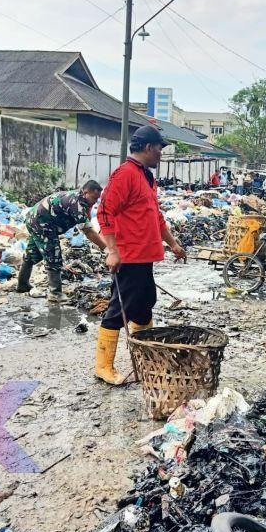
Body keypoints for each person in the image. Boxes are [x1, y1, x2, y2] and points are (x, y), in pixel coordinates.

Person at [94, 125, 188, 385]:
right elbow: (104, 213)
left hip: (145, 256)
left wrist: (173, 244)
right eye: (160, 148)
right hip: (129, 256)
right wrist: (112, 251)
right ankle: (103, 367)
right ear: (148, 147)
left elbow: (155, 218)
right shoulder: (124, 175)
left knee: (145, 305)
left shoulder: (146, 176)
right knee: (120, 309)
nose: (161, 153)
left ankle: (144, 355)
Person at [18, 181, 107, 301]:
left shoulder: (81, 199)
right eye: (94, 198)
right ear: (86, 192)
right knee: (53, 254)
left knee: (33, 254)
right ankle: (55, 293)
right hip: (42, 223)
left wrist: (90, 207)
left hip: (35, 219)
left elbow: (87, 220)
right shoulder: (77, 203)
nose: (95, 201)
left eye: (97, 199)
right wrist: (105, 248)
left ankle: (22, 285)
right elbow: (88, 231)